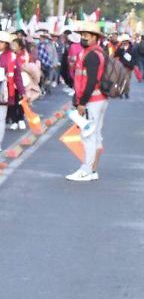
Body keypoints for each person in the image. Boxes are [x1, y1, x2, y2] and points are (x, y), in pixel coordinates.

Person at [66, 21, 108, 182]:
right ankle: (93, 170)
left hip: (92, 100)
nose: (84, 37)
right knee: (95, 135)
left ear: (95, 37)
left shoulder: (91, 55)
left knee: (88, 135)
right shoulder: (97, 52)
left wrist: (82, 102)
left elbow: (90, 81)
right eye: (83, 34)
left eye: (87, 35)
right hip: (99, 99)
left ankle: (86, 170)